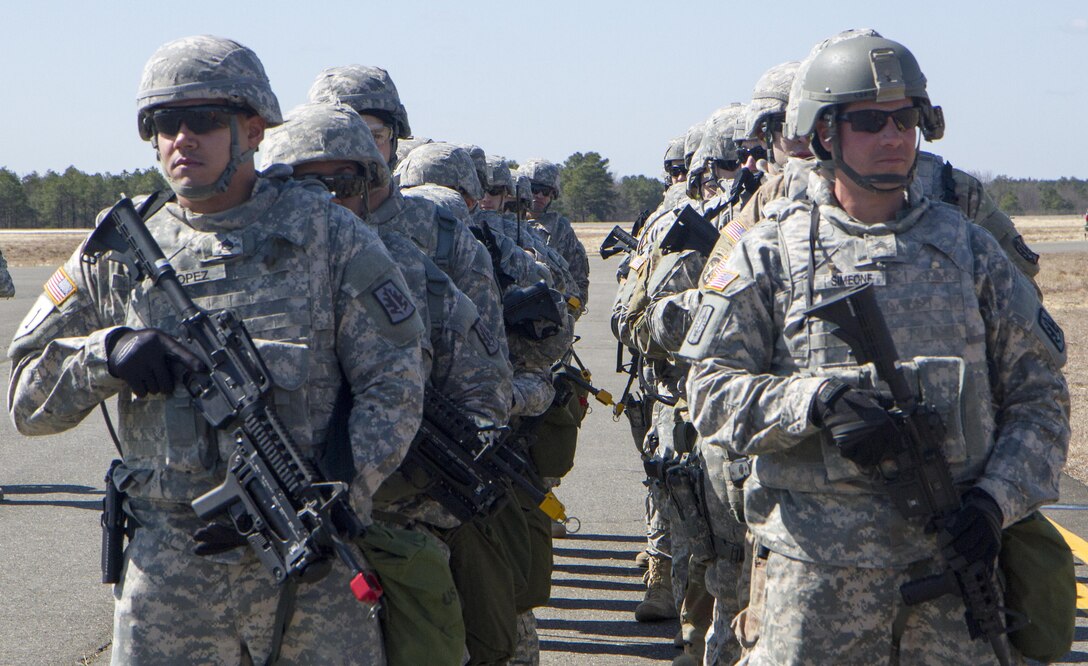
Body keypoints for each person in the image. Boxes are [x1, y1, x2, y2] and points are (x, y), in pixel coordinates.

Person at [8, 36, 426, 664]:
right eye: (164, 122)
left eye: (204, 120)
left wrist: (330, 494)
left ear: (253, 129)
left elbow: (395, 383)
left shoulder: (328, 235)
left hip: (306, 554)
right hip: (170, 572)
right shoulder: (118, 254)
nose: (183, 138)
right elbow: (25, 403)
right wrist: (106, 354)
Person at [682, 34, 1069, 664]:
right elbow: (709, 395)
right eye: (869, 121)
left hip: (954, 580)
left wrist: (995, 501)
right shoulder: (770, 253)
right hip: (814, 589)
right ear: (825, 133)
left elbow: (1040, 399)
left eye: (906, 119)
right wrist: (814, 401)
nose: (893, 137)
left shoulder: (970, 252)